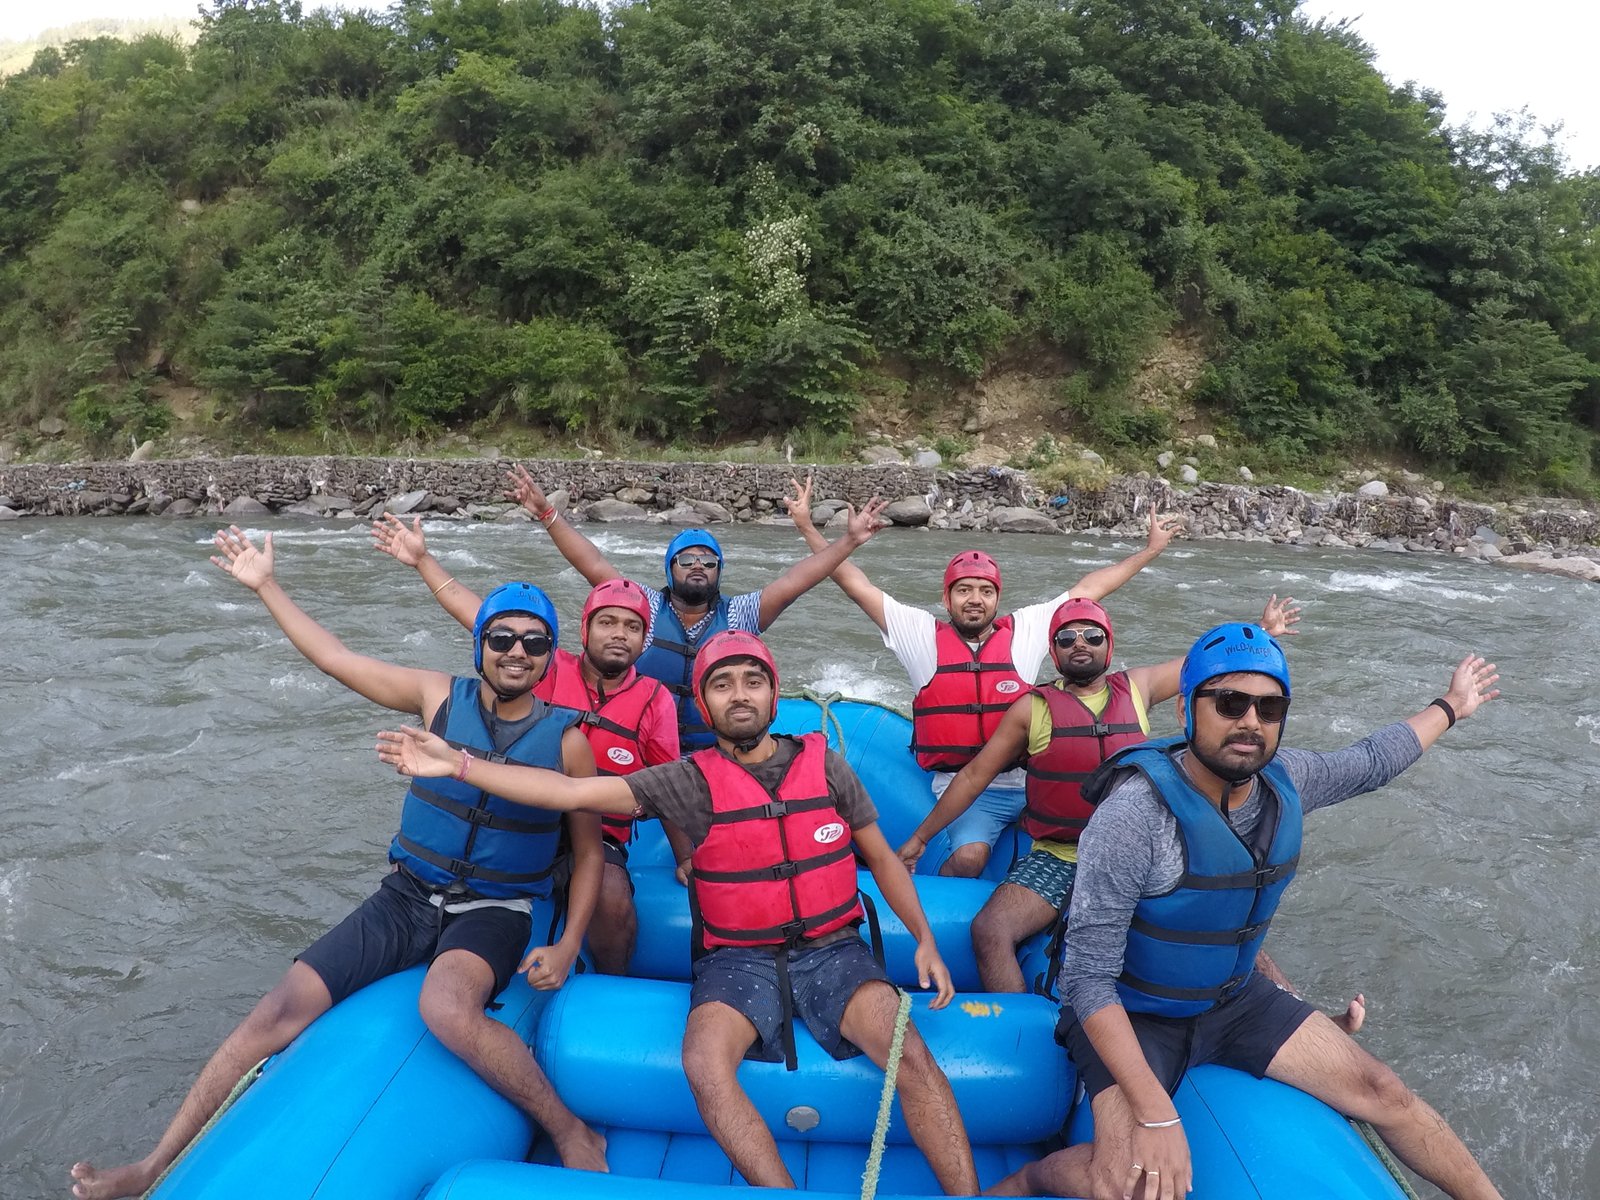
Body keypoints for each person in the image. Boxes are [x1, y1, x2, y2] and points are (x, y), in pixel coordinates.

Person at [69, 529, 608, 1200]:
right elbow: (334, 658)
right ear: (482, 645)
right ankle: (152, 1167)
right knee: (278, 1007)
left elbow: (589, 856)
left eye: (533, 642)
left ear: (549, 653)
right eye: (502, 638)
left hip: (494, 906)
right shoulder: (437, 696)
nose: (517, 653)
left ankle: (569, 1128)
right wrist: (267, 585)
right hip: (408, 894)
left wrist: (568, 943)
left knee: (446, 1007)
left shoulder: (568, 742)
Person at [377, 629, 980, 1196]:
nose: (739, 694)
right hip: (737, 957)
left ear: (774, 691)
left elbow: (881, 856)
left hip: (833, 949)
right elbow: (571, 793)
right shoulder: (685, 782)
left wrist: (924, 937)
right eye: (722, 684)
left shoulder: (825, 763)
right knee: (702, 1061)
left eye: (752, 680)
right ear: (706, 703)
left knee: (913, 1056)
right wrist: (456, 763)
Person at [987, 623, 1504, 1200]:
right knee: (1124, 1181)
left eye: (1269, 706)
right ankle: (1033, 1176)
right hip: (1133, 1010)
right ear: (1186, 707)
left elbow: (1372, 761)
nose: (1250, 722)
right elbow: (1088, 980)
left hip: (1231, 999)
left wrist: (1451, 706)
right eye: (1230, 702)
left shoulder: (1287, 780)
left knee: (1386, 1093)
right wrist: (1157, 1115)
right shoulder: (1134, 816)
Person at [896, 595, 1300, 993]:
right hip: (1062, 856)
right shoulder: (1030, 709)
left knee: (1223, 921)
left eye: (1092, 635)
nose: (1080, 645)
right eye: (1067, 638)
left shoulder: (1139, 688)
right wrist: (919, 838)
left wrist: (1261, 632)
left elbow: (1208, 666)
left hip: (1144, 853)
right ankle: (1026, 1029)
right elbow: (972, 778)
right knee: (989, 930)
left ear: (1110, 644)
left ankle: (1293, 1007)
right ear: (1053, 652)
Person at [788, 473, 1184, 877]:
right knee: (970, 858)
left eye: (985, 590)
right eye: (963, 590)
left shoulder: (1025, 630)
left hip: (1031, 781)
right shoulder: (920, 634)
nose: (974, 599)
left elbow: (1090, 589)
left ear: (997, 597)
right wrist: (807, 526)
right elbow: (854, 584)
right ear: (947, 598)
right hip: (966, 788)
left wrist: (1149, 551)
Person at [373, 514, 685, 973]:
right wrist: (423, 561)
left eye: (631, 627)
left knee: (611, 898)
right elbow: (477, 615)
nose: (618, 634)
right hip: (519, 812)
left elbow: (669, 788)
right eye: (607, 623)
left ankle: (609, 978)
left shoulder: (654, 700)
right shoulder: (544, 661)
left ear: (644, 642)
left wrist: (688, 859)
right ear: (586, 631)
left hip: (593, 828)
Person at [503, 464, 888, 752]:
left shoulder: (741, 615)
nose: (698, 566)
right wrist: (547, 514)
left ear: (720, 571)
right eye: (686, 560)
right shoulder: (644, 609)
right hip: (646, 748)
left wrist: (849, 542)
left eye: (708, 560)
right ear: (670, 571)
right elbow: (594, 564)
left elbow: (795, 582)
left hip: (717, 752)